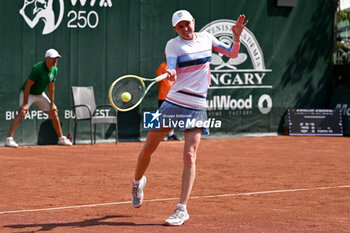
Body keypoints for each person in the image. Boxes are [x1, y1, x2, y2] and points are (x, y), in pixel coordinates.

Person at [131, 10, 247, 226]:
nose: (185, 29)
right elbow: (172, 65)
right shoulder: (173, 45)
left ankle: (181, 209)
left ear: (194, 22)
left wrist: (237, 37)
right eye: (180, 26)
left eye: (188, 24)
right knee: (148, 148)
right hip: (173, 103)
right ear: (175, 29)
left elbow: (231, 53)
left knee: (189, 156)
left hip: (197, 105)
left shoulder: (207, 38)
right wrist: (172, 72)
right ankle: (137, 182)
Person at [5, 48, 72, 148]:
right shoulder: (37, 68)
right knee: (22, 112)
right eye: (53, 58)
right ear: (47, 59)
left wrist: (52, 103)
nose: (55, 60)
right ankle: (9, 140)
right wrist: (25, 103)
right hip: (28, 93)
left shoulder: (55, 69)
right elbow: (28, 85)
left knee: (54, 112)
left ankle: (61, 138)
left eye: (57, 58)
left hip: (40, 94)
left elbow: (51, 86)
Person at [155, 60, 179, 141]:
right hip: (163, 96)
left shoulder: (177, 67)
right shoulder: (163, 66)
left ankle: (170, 135)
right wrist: (163, 89)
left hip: (174, 96)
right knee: (160, 115)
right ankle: (156, 135)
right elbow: (158, 80)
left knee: (172, 116)